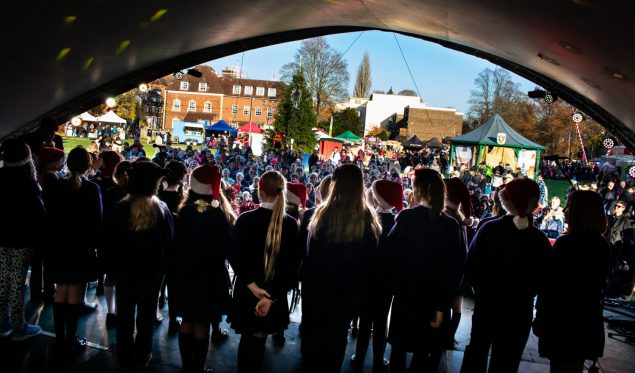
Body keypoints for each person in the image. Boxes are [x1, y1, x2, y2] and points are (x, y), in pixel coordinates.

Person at [461, 178, 551, 373]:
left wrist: (480, 289)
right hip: (520, 309)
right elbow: (545, 281)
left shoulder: (489, 228)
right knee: (507, 360)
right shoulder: (538, 239)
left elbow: (471, 265)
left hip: (488, 304)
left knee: (477, 351)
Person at [302, 164, 382, 372]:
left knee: (316, 335)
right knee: (338, 336)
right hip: (350, 291)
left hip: (319, 287)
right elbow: (372, 261)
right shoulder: (368, 217)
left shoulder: (321, 213)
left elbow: (311, 253)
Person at [388, 169, 465, 373]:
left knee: (399, 352)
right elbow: (454, 271)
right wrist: (441, 306)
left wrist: (396, 287)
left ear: (418, 190)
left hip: (406, 297)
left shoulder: (406, 218)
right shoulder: (450, 225)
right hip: (433, 302)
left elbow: (390, 257)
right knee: (423, 355)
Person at [104, 161, 174, 369]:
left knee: (125, 314)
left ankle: (124, 353)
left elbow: (109, 241)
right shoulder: (162, 210)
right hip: (152, 273)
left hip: (125, 272)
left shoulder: (120, 208)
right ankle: (143, 352)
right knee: (146, 314)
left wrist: (112, 268)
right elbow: (169, 242)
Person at [534, 190, 611, 372]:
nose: (566, 210)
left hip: (563, 320)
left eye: (569, 206)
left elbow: (551, 286)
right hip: (586, 319)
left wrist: (540, 316)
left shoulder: (566, 244)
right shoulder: (602, 245)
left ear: (579, 212)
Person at [230, 170, 299, 373]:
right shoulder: (290, 224)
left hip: (247, 289)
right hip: (272, 293)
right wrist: (270, 297)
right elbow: (291, 268)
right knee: (258, 340)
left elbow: (235, 258)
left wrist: (252, 287)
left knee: (248, 338)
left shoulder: (245, 219)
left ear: (260, 191)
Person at [172, 164, 236, 373]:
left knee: (187, 320)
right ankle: (197, 368)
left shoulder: (185, 212)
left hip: (185, 274)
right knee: (201, 324)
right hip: (209, 277)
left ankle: (186, 366)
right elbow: (228, 248)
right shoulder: (219, 216)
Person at [45, 146, 102, 350]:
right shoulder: (91, 189)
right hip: (81, 247)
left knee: (61, 292)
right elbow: (97, 221)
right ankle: (70, 338)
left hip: (58, 246)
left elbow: (49, 217)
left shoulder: (56, 186)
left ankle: (60, 338)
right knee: (75, 293)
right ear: (89, 165)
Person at [351, 179, 403, 372]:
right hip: (386, 282)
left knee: (365, 320)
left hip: (367, 279)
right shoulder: (397, 221)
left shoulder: (367, 219)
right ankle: (378, 359)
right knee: (381, 322)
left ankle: (359, 355)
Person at [0, 139, 45, 340]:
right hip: (21, 239)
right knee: (17, 281)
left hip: (1, 237)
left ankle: (3, 322)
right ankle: (19, 325)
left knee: (2, 279)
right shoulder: (28, 183)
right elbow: (38, 213)